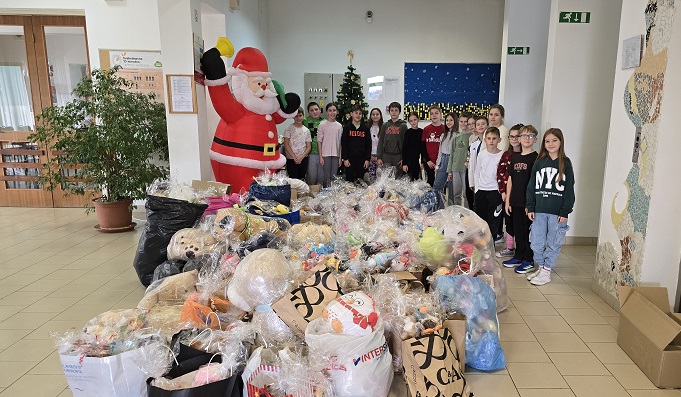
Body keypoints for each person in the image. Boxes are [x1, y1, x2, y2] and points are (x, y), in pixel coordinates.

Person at [525, 128, 575, 285]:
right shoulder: (539, 163)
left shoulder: (565, 164)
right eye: (547, 141)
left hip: (557, 213)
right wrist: (530, 206)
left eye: (554, 140)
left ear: (561, 142)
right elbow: (531, 186)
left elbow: (569, 189)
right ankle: (541, 267)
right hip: (539, 210)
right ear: (543, 143)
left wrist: (565, 211)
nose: (551, 143)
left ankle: (546, 272)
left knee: (553, 242)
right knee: (536, 242)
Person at [503, 125, 539, 273]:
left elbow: (536, 182)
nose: (526, 138)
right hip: (515, 201)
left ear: (535, 139)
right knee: (517, 230)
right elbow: (510, 180)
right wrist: (507, 201)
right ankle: (518, 255)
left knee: (526, 233)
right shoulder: (515, 158)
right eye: (524, 135)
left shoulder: (537, 158)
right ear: (519, 138)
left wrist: (531, 204)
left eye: (530, 136)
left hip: (527, 203)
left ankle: (528, 260)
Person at [495, 124, 524, 257]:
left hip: (522, 197)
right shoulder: (506, 155)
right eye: (511, 136)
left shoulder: (528, 156)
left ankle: (522, 249)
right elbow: (500, 174)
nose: (514, 139)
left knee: (521, 224)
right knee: (509, 222)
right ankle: (509, 247)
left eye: (517, 136)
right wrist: (503, 192)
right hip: (508, 195)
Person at [473, 127, 504, 237]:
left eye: (494, 138)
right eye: (489, 138)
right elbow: (477, 172)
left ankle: (492, 244)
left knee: (494, 220)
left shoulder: (502, 155)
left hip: (495, 192)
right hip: (481, 191)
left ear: (499, 140)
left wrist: (501, 192)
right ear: (485, 140)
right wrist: (477, 189)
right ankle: (482, 245)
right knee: (481, 220)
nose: (491, 141)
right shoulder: (481, 154)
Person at [341, 106, 372, 183]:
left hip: (362, 159)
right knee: (349, 181)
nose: (358, 115)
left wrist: (367, 159)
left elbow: (369, 144)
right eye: (356, 113)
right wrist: (345, 159)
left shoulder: (366, 128)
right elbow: (344, 144)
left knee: (360, 181)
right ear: (351, 114)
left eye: (360, 113)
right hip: (350, 159)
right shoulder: (346, 127)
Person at [447, 117, 473, 206]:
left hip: (466, 169)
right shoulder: (456, 138)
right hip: (456, 168)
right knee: (456, 193)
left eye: (466, 122)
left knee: (466, 194)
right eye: (461, 121)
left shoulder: (472, 137)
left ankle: (467, 213)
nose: (463, 124)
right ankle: (458, 211)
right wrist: (450, 171)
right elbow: (452, 155)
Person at [377, 102, 407, 177]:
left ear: (399, 112)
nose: (394, 112)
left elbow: (406, 144)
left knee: (398, 177)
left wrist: (404, 158)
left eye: (396, 110)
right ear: (389, 112)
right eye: (392, 110)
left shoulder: (403, 125)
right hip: (386, 155)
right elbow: (380, 141)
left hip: (398, 156)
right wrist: (379, 157)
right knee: (386, 177)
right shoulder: (385, 125)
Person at [434, 113, 458, 206]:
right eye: (447, 120)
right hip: (443, 160)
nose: (449, 122)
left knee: (452, 188)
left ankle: (452, 209)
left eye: (451, 120)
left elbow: (455, 153)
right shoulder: (443, 135)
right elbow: (440, 151)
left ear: (455, 121)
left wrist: (451, 171)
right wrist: (437, 164)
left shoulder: (457, 135)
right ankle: (439, 206)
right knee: (437, 185)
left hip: (452, 162)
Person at [317, 103, 343, 187]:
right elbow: (319, 141)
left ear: (337, 112)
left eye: (334, 110)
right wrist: (321, 156)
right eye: (330, 111)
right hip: (325, 154)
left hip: (336, 155)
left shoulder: (339, 126)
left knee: (334, 176)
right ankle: (326, 194)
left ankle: (333, 194)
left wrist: (340, 157)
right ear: (327, 112)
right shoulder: (322, 125)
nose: (332, 113)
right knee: (326, 177)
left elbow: (340, 142)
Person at [283, 107, 312, 180]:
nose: (298, 118)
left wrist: (301, 157)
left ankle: (301, 192)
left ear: (303, 116)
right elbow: (286, 144)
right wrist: (294, 157)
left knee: (301, 178)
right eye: (296, 116)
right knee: (293, 180)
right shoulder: (288, 129)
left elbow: (308, 147)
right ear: (293, 117)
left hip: (303, 158)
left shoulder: (306, 130)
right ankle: (294, 192)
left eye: (300, 115)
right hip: (291, 159)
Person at [421, 105, 445, 186]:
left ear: (440, 115)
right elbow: (423, 147)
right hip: (428, 162)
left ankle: (441, 199)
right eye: (432, 114)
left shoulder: (445, 129)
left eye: (436, 113)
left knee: (441, 184)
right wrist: (427, 160)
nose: (434, 115)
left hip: (441, 162)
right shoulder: (426, 129)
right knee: (430, 183)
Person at [304, 102, 325, 185]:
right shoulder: (304, 121)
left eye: (316, 109)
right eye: (312, 110)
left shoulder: (324, 122)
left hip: (323, 154)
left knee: (321, 177)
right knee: (311, 176)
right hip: (310, 153)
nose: (314, 112)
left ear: (320, 110)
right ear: (308, 112)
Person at [467, 115, 488, 194]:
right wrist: (471, 182)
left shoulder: (490, 143)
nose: (480, 126)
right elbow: (471, 165)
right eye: (478, 124)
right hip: (477, 178)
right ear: (475, 127)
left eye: (483, 124)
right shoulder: (474, 145)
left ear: (487, 126)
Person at [402, 112, 423, 181]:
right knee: (408, 182)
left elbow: (423, 148)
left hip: (416, 161)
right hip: (408, 162)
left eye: (415, 120)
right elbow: (404, 148)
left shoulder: (422, 132)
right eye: (411, 121)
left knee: (417, 181)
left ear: (418, 119)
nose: (413, 122)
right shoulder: (408, 132)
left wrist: (422, 162)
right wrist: (404, 163)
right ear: (409, 122)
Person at [368, 108, 383, 182]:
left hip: (380, 157)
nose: (375, 116)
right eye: (373, 114)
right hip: (371, 157)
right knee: (372, 178)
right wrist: (369, 156)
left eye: (377, 114)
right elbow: (366, 143)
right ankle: (372, 193)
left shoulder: (384, 128)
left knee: (380, 179)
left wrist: (379, 157)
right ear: (370, 116)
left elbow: (384, 143)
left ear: (380, 116)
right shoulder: (368, 128)